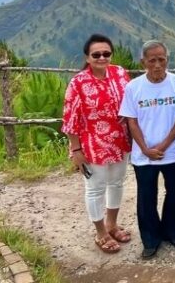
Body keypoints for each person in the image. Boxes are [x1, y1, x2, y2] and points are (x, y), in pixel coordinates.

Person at [119, 40, 175, 260]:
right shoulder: (134, 87)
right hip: (144, 155)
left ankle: (172, 232)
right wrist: (145, 149)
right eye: (153, 60)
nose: (158, 65)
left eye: (162, 59)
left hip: (174, 152)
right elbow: (131, 121)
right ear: (144, 62)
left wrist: (164, 145)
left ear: (167, 60)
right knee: (146, 197)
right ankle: (150, 239)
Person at [61, 34, 132, 254]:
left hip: (120, 140)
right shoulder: (79, 82)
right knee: (95, 188)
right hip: (92, 142)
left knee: (117, 182)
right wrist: (76, 150)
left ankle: (112, 223)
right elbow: (70, 117)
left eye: (106, 53)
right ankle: (100, 231)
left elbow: (130, 102)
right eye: (96, 54)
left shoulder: (120, 74)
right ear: (88, 57)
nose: (102, 57)